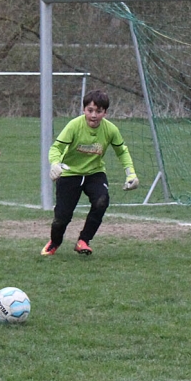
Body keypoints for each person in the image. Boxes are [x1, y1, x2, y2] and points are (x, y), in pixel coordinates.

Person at [42, 89, 139, 256]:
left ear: (105, 112)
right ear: (84, 110)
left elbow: (122, 151)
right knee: (62, 217)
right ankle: (55, 242)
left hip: (95, 173)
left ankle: (83, 241)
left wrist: (131, 174)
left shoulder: (111, 130)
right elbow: (56, 148)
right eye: (90, 110)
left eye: (99, 111)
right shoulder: (74, 125)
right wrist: (55, 164)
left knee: (102, 201)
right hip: (70, 174)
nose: (94, 115)